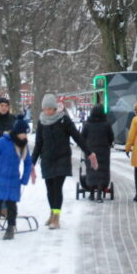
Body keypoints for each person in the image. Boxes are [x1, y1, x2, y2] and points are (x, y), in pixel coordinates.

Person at [33, 94, 96, 229]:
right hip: (47, 160)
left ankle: (57, 216)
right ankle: (52, 213)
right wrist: (32, 162)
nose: (48, 111)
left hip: (62, 158)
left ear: (55, 108)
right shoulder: (42, 122)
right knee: (49, 189)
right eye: (46, 109)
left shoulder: (64, 120)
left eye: (51, 109)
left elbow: (77, 136)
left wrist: (89, 152)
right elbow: (38, 143)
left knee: (57, 188)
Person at [0, 116, 34, 240]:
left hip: (13, 179)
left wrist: (24, 178)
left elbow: (28, 162)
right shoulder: (2, 142)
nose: (25, 136)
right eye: (23, 133)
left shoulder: (23, 145)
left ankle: (10, 228)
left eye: (26, 133)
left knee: (12, 205)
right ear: (17, 132)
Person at [81, 102, 114, 201]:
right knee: (102, 171)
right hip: (104, 151)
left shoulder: (87, 124)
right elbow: (111, 137)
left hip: (90, 152)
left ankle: (91, 192)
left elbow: (82, 137)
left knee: (91, 170)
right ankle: (99, 193)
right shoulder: (106, 124)